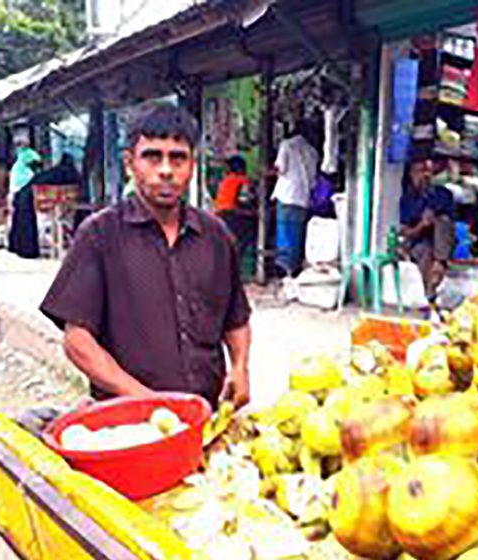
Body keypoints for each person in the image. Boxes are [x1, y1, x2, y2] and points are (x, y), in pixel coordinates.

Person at [40, 103, 252, 410]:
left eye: (178, 158)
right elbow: (78, 341)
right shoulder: (100, 235)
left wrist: (240, 368)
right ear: (129, 163)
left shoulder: (215, 236)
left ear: (192, 165)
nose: (166, 170)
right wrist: (146, 400)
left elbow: (236, 319)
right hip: (128, 424)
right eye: (153, 156)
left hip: (206, 418)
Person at [399, 158, 455, 300]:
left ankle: (440, 262)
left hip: (441, 244)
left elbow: (450, 224)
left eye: (428, 171)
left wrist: (434, 219)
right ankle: (428, 294)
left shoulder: (443, 194)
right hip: (417, 242)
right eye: (419, 172)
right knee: (423, 251)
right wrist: (422, 225)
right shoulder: (407, 199)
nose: (424, 175)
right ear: (410, 175)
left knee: (443, 220)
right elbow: (405, 233)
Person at [272, 121, 319, 277]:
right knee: (297, 233)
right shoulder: (313, 152)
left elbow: (281, 169)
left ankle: (283, 269)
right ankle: (294, 268)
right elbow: (313, 180)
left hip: (287, 195)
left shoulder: (287, 145)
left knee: (284, 233)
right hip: (303, 197)